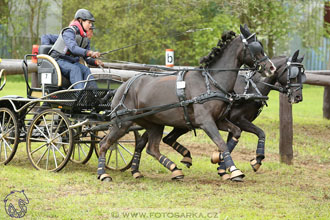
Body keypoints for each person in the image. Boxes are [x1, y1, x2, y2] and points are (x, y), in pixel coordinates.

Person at [49, 8, 101, 89]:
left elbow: (86, 57)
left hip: (70, 61)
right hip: (58, 59)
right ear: (80, 21)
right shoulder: (69, 31)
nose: (91, 25)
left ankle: (94, 95)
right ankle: (80, 96)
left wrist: (95, 61)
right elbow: (73, 48)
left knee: (86, 70)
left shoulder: (84, 37)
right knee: (75, 69)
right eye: (89, 22)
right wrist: (89, 52)